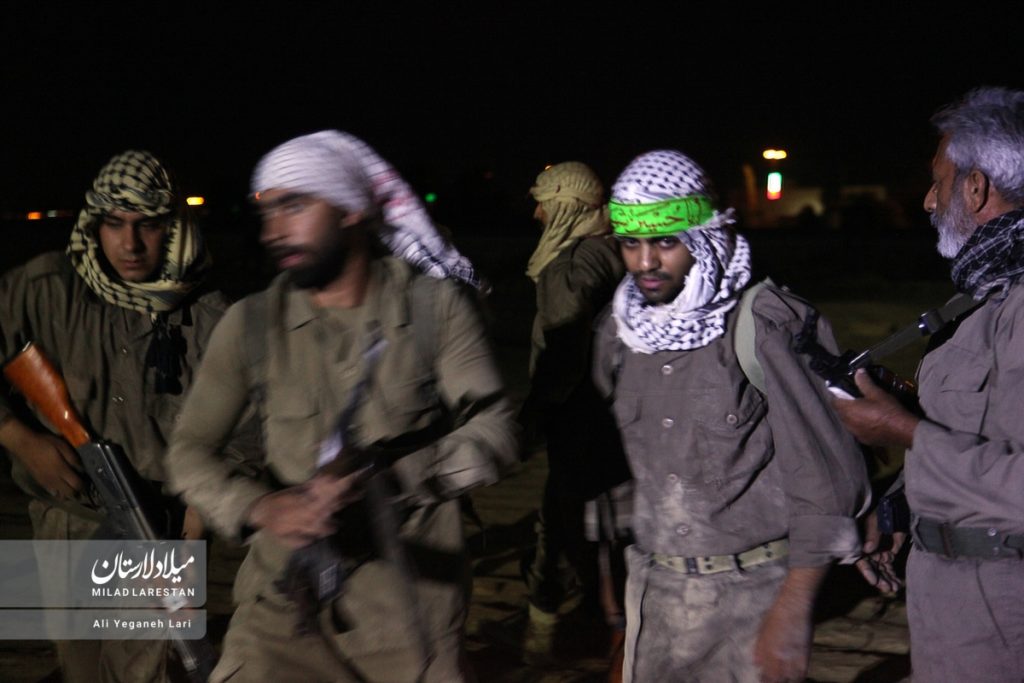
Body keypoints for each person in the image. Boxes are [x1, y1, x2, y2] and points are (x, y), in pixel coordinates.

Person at [165, 130, 518, 683]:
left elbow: (496, 428)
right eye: (267, 212)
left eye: (294, 206)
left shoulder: (434, 309)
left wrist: (390, 480)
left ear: (350, 209)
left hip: (410, 621)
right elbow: (188, 451)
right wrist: (261, 507)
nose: (273, 230)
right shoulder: (249, 324)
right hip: (283, 612)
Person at [591, 150, 870, 682]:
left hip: (752, 603)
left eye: (665, 242)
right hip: (654, 599)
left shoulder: (764, 322)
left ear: (703, 237)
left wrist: (793, 610)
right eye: (630, 243)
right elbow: (619, 475)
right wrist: (619, 604)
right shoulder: (617, 333)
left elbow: (826, 476)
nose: (644, 262)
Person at [0, 149, 232, 682]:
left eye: (147, 224)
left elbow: (244, 431)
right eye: (114, 223)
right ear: (94, 224)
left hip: (163, 530)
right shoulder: (47, 290)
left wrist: (193, 533)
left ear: (172, 227)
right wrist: (19, 438)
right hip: (67, 519)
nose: (130, 244)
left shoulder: (211, 316)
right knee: (80, 669)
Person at [834, 86, 1024, 682]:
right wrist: (901, 506)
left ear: (976, 188)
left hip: (1001, 618)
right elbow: (982, 431)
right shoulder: (988, 293)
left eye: (938, 183)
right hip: (958, 601)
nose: (927, 200)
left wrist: (903, 431)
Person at [517, 162, 631, 668]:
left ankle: (547, 632)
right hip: (617, 416)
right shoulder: (613, 249)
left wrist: (534, 416)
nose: (538, 214)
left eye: (544, 203)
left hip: (583, 420)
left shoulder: (575, 263)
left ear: (565, 207)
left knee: (562, 527)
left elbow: (563, 352)